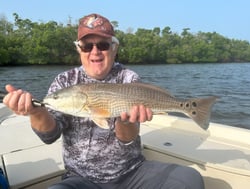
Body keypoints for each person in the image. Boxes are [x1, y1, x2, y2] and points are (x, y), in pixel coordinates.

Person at [3, 13, 204, 189]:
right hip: (80, 179)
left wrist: (125, 121)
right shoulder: (64, 81)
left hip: (131, 173)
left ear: (114, 48)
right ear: (79, 49)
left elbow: (128, 140)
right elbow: (49, 135)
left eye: (103, 45)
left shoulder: (128, 78)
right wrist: (36, 112)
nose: (95, 51)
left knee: (189, 180)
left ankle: (189, 108)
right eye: (87, 45)